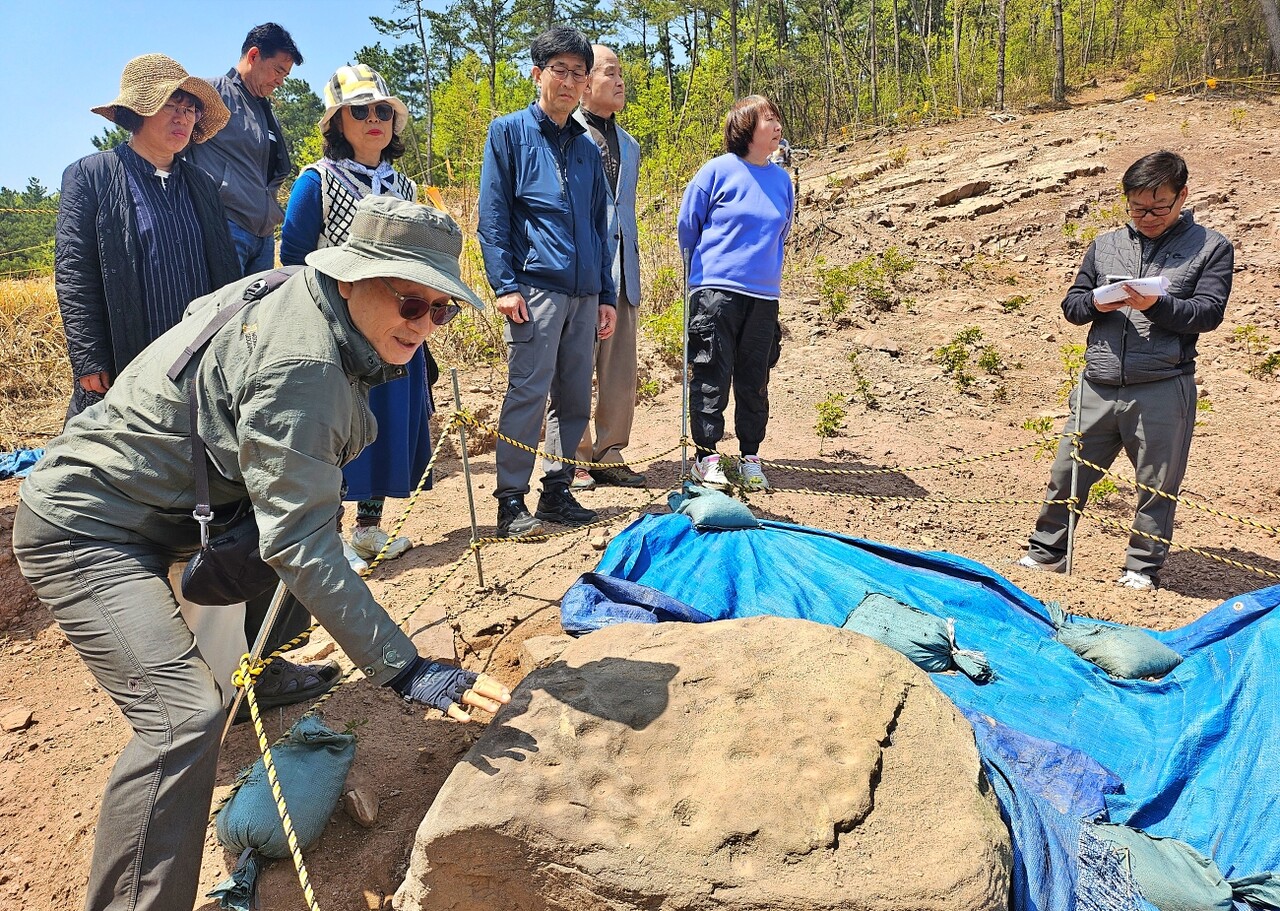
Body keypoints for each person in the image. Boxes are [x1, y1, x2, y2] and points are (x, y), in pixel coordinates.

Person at [13, 196, 511, 911]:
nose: (424, 324)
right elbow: (299, 542)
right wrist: (408, 669)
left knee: (280, 562)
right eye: (410, 301)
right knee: (182, 717)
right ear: (351, 279)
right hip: (85, 527)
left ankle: (258, 677)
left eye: (442, 309)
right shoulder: (303, 364)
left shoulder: (296, 292)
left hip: (165, 506)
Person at [1017, 150, 1232, 590]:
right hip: (1098, 382)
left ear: (1182, 197)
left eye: (1158, 207)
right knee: (1067, 473)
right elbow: (1073, 305)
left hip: (1162, 385)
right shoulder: (1105, 245)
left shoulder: (1211, 248)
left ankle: (1140, 569)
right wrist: (1097, 302)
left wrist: (1157, 304)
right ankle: (1046, 553)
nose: (1147, 217)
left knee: (1156, 485)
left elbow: (1208, 313)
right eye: (1137, 208)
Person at [282, 64, 428, 573]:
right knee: (336, 427)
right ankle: (330, 534)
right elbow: (295, 256)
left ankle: (368, 527)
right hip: (338, 326)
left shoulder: (405, 186)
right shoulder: (317, 181)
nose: (373, 120)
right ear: (337, 123)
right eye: (360, 111)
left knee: (384, 423)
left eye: (382, 111)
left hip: (400, 323)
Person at [477, 25, 616, 537]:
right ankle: (510, 502)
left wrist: (605, 294)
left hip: (585, 292)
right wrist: (504, 285)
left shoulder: (587, 147)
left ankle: (557, 490)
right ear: (538, 74)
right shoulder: (508, 133)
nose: (570, 81)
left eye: (579, 73)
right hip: (534, 288)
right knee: (528, 392)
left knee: (575, 394)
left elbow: (600, 226)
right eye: (560, 70)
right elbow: (492, 217)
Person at [56, 53, 240, 419]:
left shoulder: (202, 185)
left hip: (198, 353)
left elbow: (225, 269)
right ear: (137, 111)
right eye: (170, 105)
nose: (182, 117)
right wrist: (89, 356)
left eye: (190, 109)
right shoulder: (93, 175)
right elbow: (74, 272)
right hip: (130, 353)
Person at [677, 94, 794, 491]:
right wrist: (702, 274)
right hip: (716, 291)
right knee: (711, 371)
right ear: (746, 127)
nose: (777, 126)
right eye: (768, 119)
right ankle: (706, 458)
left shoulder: (782, 180)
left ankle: (750, 458)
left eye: (777, 118)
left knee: (755, 377)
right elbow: (688, 227)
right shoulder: (717, 171)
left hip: (763, 295)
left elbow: (782, 230)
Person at [569, 44, 646, 492]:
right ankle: (575, 456)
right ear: (585, 83)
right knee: (576, 366)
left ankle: (610, 452)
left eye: (621, 74)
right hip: (580, 271)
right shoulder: (564, 133)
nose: (620, 82)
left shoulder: (631, 145)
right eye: (610, 73)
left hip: (623, 271)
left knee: (620, 371)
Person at [187, 22, 302, 276]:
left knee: (257, 305)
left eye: (285, 75)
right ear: (254, 55)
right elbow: (169, 151)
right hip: (225, 227)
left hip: (264, 237)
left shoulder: (265, 109)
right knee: (223, 302)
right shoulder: (209, 95)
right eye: (278, 70)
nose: (281, 81)